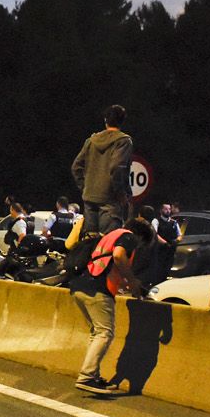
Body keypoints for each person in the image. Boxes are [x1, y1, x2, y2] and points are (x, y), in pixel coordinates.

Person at [68, 216, 153, 394]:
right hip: (98, 290)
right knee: (105, 333)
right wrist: (132, 279)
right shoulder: (129, 236)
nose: (137, 249)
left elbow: (108, 266)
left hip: (80, 286)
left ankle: (94, 376)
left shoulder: (109, 236)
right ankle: (87, 376)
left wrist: (131, 286)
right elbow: (118, 256)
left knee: (96, 333)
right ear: (140, 237)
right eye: (140, 246)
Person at [71, 104, 134, 234]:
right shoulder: (123, 141)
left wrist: (85, 187)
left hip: (89, 199)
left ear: (105, 120)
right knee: (107, 245)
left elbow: (76, 166)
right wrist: (120, 193)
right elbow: (117, 167)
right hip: (110, 201)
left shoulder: (91, 141)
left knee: (90, 245)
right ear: (123, 121)